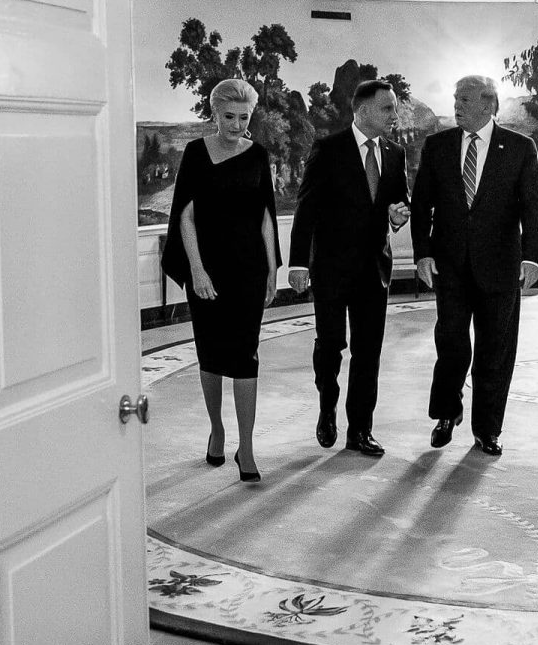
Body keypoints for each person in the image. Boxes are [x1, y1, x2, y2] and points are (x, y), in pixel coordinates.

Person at [411, 75, 538, 456]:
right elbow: (421, 205)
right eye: (456, 99)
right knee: (451, 344)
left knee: (494, 350)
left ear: (488, 104)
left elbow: (531, 207)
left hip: (500, 267)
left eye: (465, 100)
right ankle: (446, 412)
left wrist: (532, 258)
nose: (457, 106)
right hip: (449, 266)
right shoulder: (437, 146)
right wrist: (423, 253)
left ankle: (487, 429)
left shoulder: (519, 148)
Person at [159, 78, 281, 483]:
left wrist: (272, 269)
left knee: (246, 355)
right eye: (229, 116)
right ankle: (217, 430)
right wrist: (196, 269)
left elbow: (266, 216)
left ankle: (246, 446)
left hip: (249, 269)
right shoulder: (196, 153)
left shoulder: (258, 154)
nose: (236, 125)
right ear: (214, 114)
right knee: (210, 354)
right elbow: (185, 215)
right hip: (207, 268)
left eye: (244, 118)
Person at [287, 79, 412, 456]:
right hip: (330, 268)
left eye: (394, 108)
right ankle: (327, 408)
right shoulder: (328, 149)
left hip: (375, 269)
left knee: (368, 352)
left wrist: (398, 215)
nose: (394, 115)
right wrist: (298, 263)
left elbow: (399, 201)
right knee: (330, 346)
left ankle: (360, 430)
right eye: (388, 108)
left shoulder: (395, 153)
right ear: (363, 110)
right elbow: (306, 209)